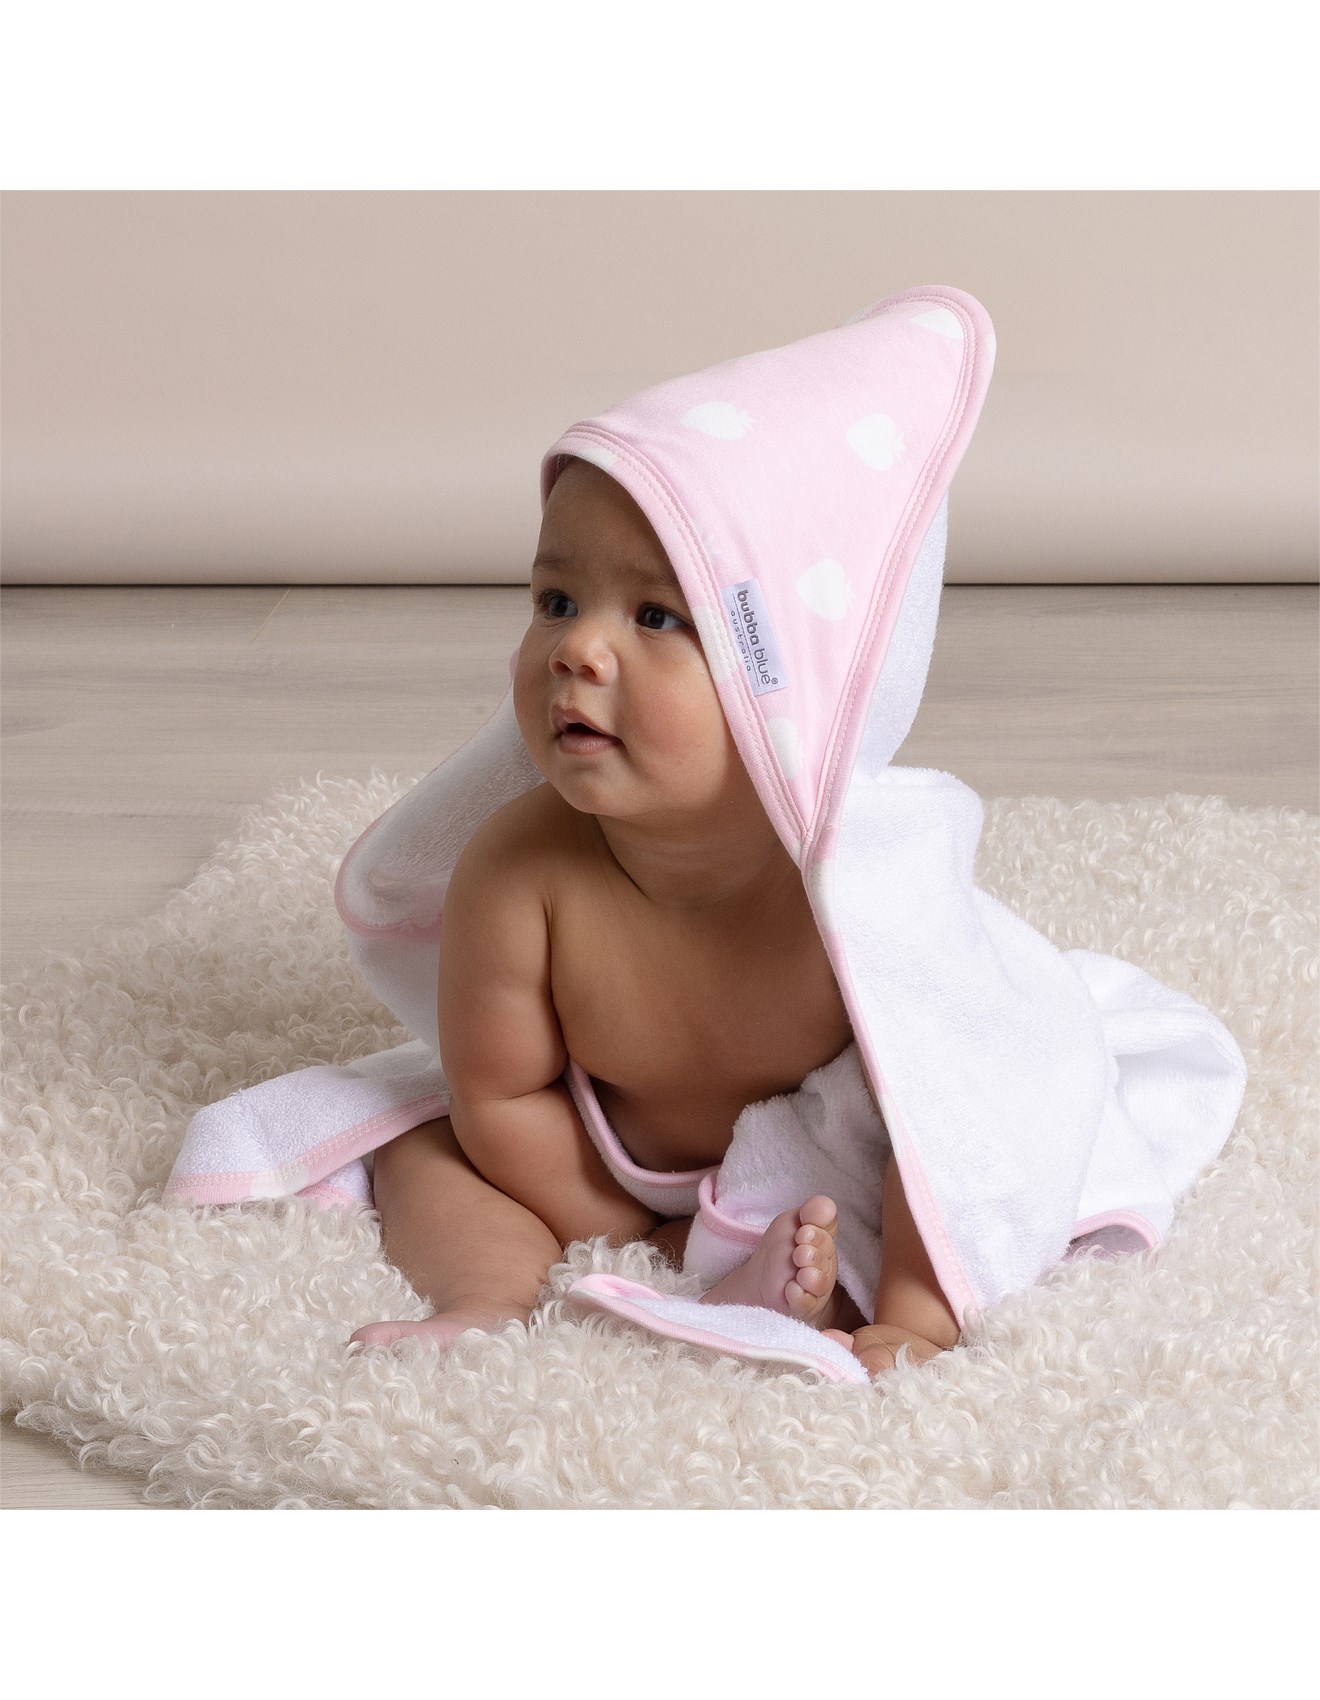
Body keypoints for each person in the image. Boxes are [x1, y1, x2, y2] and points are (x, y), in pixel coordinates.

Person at [349, 456, 961, 1379]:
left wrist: (914, 1312)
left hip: (817, 1160)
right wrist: (633, 1231)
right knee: (419, 1155)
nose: (577, 650)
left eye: (657, 616)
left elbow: (943, 1100)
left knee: (909, 1184)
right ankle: (492, 1299)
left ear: (784, 684)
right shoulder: (519, 870)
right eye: (557, 602)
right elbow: (501, 1098)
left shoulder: (856, 886)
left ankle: (818, 1296)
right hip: (595, 1163)